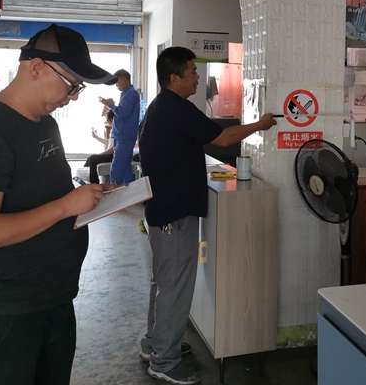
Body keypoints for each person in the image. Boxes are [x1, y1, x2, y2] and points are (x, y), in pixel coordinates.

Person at [0, 23, 117, 385]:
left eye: (78, 88)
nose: (72, 97)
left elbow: (45, 193)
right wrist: (66, 206)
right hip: (9, 309)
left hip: (54, 296)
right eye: (71, 84)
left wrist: (89, 199)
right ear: (37, 67)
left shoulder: (44, 124)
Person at [138, 46, 276, 384]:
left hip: (163, 210)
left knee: (164, 282)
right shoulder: (177, 108)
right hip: (174, 214)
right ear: (175, 78)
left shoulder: (161, 106)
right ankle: (164, 361)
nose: (198, 77)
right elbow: (223, 137)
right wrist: (261, 124)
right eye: (192, 72)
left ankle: (156, 343)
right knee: (174, 286)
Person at [100, 69, 140, 185]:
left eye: (117, 82)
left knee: (117, 167)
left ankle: (112, 189)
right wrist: (112, 105)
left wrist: (110, 105)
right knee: (125, 166)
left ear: (124, 79)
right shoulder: (127, 93)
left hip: (124, 136)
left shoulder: (131, 93)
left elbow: (123, 112)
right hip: (122, 135)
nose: (116, 85)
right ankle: (127, 190)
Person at [83, 109, 114, 183]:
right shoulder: (113, 130)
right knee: (90, 158)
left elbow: (113, 149)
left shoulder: (118, 131)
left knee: (93, 159)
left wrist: (101, 154)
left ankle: (94, 183)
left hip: (114, 155)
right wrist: (96, 137)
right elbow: (109, 142)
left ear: (111, 120)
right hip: (112, 154)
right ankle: (84, 179)